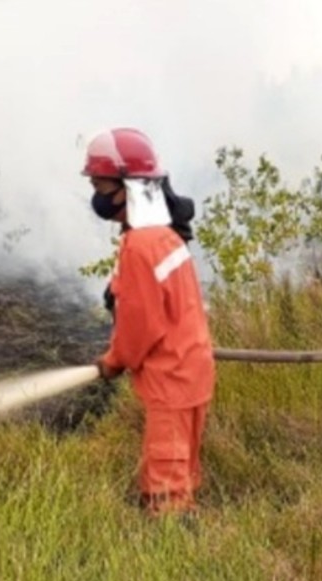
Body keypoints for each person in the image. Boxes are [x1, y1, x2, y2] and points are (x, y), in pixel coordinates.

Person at [84, 127, 215, 516]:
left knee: (167, 477)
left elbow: (141, 325)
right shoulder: (165, 237)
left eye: (100, 185)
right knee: (184, 466)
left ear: (127, 187)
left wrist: (115, 360)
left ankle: (171, 544)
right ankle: (180, 515)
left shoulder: (141, 245)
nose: (97, 196)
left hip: (169, 376)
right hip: (192, 366)